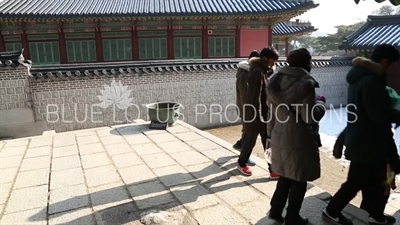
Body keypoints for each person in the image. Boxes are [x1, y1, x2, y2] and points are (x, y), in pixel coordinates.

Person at [322, 44, 400, 225]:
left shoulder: (360, 78)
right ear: (384, 62)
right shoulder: (372, 81)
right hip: (368, 143)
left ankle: (376, 215)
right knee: (356, 182)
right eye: (393, 65)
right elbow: (377, 114)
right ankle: (331, 211)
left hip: (365, 140)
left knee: (379, 181)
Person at [266, 48, 326, 225]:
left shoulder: (274, 82)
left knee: (285, 175)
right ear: (308, 63)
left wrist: (270, 136)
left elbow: (270, 116)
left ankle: (276, 212)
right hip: (298, 138)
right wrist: (321, 104)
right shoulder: (305, 84)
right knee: (299, 178)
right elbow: (309, 116)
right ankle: (293, 216)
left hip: (278, 135)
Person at [237, 46, 279, 177]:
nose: (274, 63)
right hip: (255, 113)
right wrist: (257, 114)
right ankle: (242, 163)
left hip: (264, 113)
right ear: (265, 58)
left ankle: (273, 169)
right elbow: (254, 96)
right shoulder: (257, 71)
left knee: (267, 141)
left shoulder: (267, 70)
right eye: (273, 60)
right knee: (250, 140)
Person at [233, 50, 261, 166]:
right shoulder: (245, 74)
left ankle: (240, 145)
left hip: (248, 108)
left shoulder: (248, 72)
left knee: (247, 131)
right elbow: (245, 95)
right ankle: (244, 156)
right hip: (248, 109)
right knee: (250, 133)